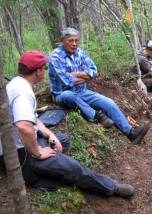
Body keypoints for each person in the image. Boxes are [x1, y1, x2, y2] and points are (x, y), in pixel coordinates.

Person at [3, 50, 134, 198]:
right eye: (45, 68)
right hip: (21, 153)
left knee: (61, 140)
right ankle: (110, 187)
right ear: (38, 71)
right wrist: (38, 152)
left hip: (17, 144)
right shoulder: (23, 92)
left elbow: (32, 118)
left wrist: (49, 134)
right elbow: (23, 126)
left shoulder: (16, 83)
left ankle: (46, 172)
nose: (45, 71)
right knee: (74, 168)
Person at [48, 27, 150, 144]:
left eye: (76, 40)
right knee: (68, 94)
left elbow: (94, 71)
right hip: (62, 94)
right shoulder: (55, 57)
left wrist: (77, 74)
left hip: (83, 92)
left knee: (109, 103)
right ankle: (97, 116)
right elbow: (67, 81)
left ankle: (131, 133)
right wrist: (84, 77)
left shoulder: (79, 53)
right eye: (70, 41)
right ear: (62, 40)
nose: (74, 44)